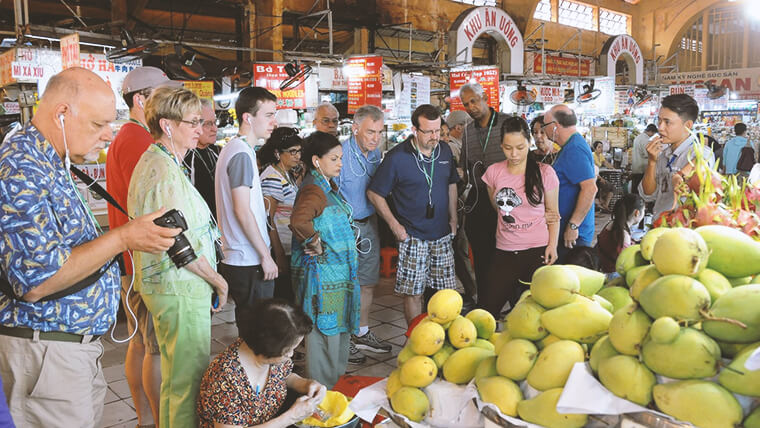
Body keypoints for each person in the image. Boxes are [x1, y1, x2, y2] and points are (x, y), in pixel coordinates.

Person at [0, 67, 178, 428]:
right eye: (98, 125)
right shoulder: (21, 166)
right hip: (46, 353)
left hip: (67, 350)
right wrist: (124, 238)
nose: (107, 135)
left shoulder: (49, 159)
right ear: (62, 114)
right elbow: (36, 281)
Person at [129, 86, 229, 428]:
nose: (200, 130)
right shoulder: (163, 170)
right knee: (187, 382)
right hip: (179, 287)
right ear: (168, 125)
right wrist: (218, 280)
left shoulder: (162, 162)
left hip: (174, 287)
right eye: (193, 122)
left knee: (176, 381)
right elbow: (176, 242)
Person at [106, 65, 180, 428]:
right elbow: (156, 209)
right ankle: (154, 419)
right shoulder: (137, 140)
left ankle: (145, 418)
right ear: (141, 100)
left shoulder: (130, 136)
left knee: (141, 343)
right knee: (154, 347)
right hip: (144, 260)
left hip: (133, 259)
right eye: (161, 95)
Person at [368, 104, 459, 325]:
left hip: (442, 234)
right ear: (415, 130)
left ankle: (441, 336)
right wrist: (394, 226)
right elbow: (374, 193)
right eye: (428, 132)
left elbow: (451, 184)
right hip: (412, 236)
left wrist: (454, 218)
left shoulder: (444, 151)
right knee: (414, 292)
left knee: (445, 292)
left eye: (438, 130)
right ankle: (416, 335)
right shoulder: (397, 157)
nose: (434, 137)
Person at [290, 131, 361, 388]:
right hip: (322, 279)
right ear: (317, 160)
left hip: (333, 277)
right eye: (334, 158)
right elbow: (299, 220)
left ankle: (330, 386)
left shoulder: (322, 185)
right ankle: (321, 390)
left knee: (331, 334)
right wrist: (315, 243)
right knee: (323, 335)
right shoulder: (314, 189)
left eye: (341, 157)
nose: (340, 163)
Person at [198, 299, 326, 428]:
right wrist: (290, 417)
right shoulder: (225, 378)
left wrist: (306, 385)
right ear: (269, 349)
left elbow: (285, 376)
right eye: (288, 350)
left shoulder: (271, 357)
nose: (291, 355)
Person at [480, 117, 559, 317]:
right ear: (501, 145)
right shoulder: (493, 172)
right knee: (488, 310)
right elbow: (496, 207)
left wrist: (552, 245)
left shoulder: (545, 173)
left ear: (530, 142)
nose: (514, 154)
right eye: (508, 148)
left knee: (536, 314)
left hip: (538, 251)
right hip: (504, 251)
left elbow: (553, 214)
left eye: (520, 147)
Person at [215, 87, 279, 324]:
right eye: (269, 115)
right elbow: (241, 210)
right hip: (248, 259)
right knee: (258, 330)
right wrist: (265, 255)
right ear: (247, 117)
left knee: (253, 328)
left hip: (242, 257)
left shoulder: (238, 149)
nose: (274, 121)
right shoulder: (240, 152)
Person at [336, 105, 391, 364]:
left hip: (369, 223)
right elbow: (330, 195)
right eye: (370, 131)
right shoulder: (340, 155)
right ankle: (343, 339)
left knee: (367, 281)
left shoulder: (375, 154)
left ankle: (362, 331)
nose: (375, 137)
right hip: (345, 226)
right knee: (345, 284)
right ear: (355, 128)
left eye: (379, 132)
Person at [458, 83, 510, 303]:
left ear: (485, 97)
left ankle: (511, 300)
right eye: (466, 104)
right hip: (479, 197)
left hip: (507, 197)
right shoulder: (468, 131)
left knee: (507, 253)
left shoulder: (508, 123)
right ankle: (486, 301)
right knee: (480, 254)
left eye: (474, 101)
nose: (471, 107)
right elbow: (464, 168)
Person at [639, 94, 714, 219]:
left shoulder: (700, 153)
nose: (660, 128)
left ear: (688, 125)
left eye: (667, 122)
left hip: (683, 231)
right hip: (660, 225)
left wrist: (679, 176)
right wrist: (652, 162)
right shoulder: (663, 155)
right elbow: (648, 195)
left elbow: (699, 163)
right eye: (659, 120)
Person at [543, 104, 597, 262]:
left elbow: (590, 188)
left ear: (554, 127)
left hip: (573, 236)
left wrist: (573, 225)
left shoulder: (574, 149)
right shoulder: (570, 146)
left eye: (545, 126)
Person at [258, 127, 303, 302]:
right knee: (283, 301)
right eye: (292, 152)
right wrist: (278, 255)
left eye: (299, 151)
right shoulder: (272, 177)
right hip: (281, 249)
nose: (297, 156)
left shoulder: (287, 174)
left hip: (290, 246)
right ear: (277, 153)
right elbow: (267, 219)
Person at [184, 98, 221, 216]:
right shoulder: (185, 158)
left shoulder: (218, 152)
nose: (214, 129)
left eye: (215, 122)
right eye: (208, 124)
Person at [596, 194, 645, 273]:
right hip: (612, 273)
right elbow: (624, 263)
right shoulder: (624, 235)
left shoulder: (612, 224)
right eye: (644, 211)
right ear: (637, 213)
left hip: (602, 267)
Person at [631, 124, 657, 193]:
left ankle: (633, 202)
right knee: (640, 190)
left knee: (635, 188)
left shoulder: (638, 137)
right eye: (653, 133)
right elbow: (647, 154)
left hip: (636, 167)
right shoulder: (645, 140)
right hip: (641, 169)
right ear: (651, 131)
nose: (653, 135)